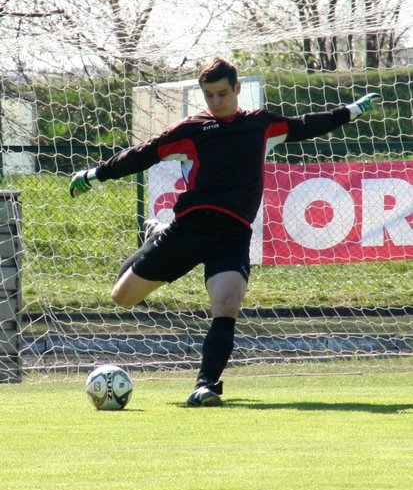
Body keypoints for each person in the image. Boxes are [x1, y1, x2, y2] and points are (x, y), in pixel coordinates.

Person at [70, 56, 381, 407]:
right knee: (122, 298)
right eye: (209, 95)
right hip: (190, 229)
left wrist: (351, 111)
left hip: (232, 235)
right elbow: (144, 154)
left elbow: (306, 124)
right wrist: (96, 174)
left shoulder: (260, 125)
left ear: (237, 89)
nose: (216, 102)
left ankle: (206, 385)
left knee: (227, 304)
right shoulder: (192, 129)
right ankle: (156, 235)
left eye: (222, 93)